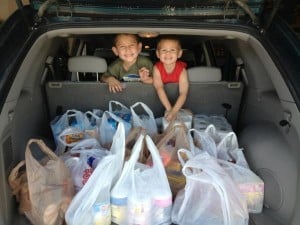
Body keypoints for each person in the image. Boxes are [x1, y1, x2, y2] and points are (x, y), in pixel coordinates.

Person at [153, 36, 189, 122]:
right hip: (166, 105)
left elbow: (183, 93)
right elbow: (159, 88)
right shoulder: (157, 68)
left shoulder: (182, 70)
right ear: (158, 54)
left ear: (179, 53)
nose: (168, 53)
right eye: (164, 50)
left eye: (172, 50)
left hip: (177, 106)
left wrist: (174, 111)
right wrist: (169, 110)